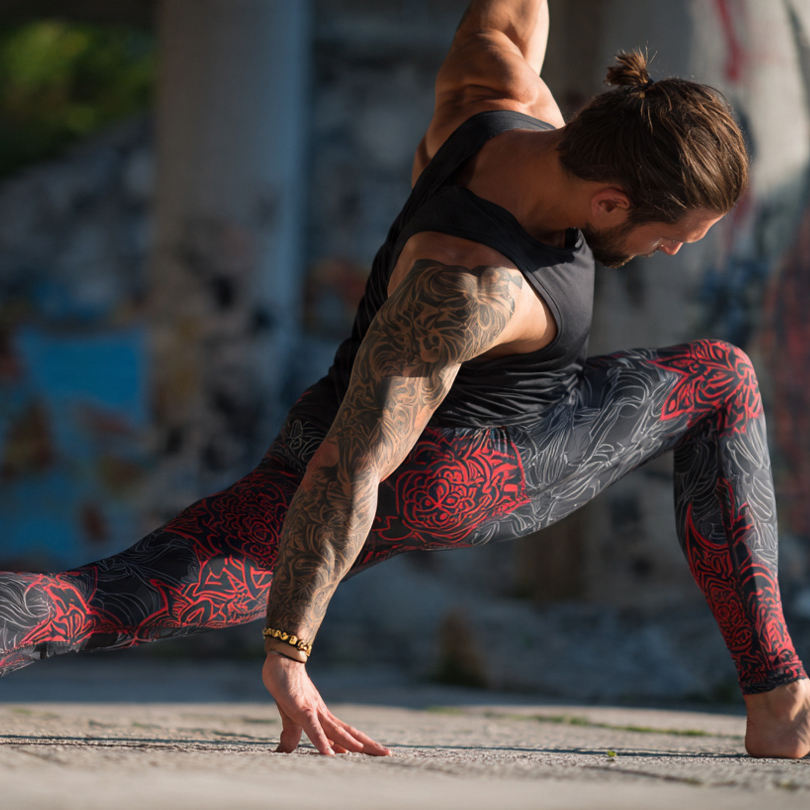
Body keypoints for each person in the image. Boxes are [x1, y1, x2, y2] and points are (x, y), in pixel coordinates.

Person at [1, 0, 808, 759]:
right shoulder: (470, 286)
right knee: (723, 378)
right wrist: (289, 650)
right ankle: (780, 700)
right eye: (673, 234)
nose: (674, 250)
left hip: (328, 423)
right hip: (458, 469)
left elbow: (504, 18)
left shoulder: (492, 92)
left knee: (112, 595)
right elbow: (353, 465)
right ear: (608, 202)